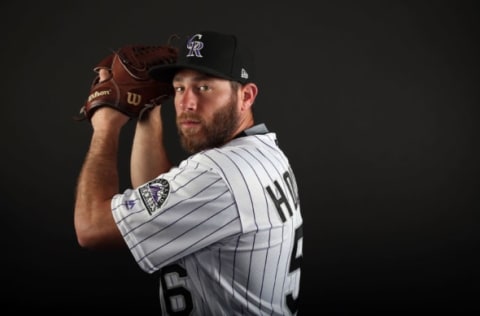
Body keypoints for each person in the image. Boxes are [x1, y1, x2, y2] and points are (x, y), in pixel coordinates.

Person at [74, 30, 303, 315]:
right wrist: (150, 109)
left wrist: (105, 127)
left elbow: (91, 228)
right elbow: (158, 197)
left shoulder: (219, 174)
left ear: (246, 96)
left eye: (203, 87)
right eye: (179, 88)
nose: (186, 104)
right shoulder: (263, 152)